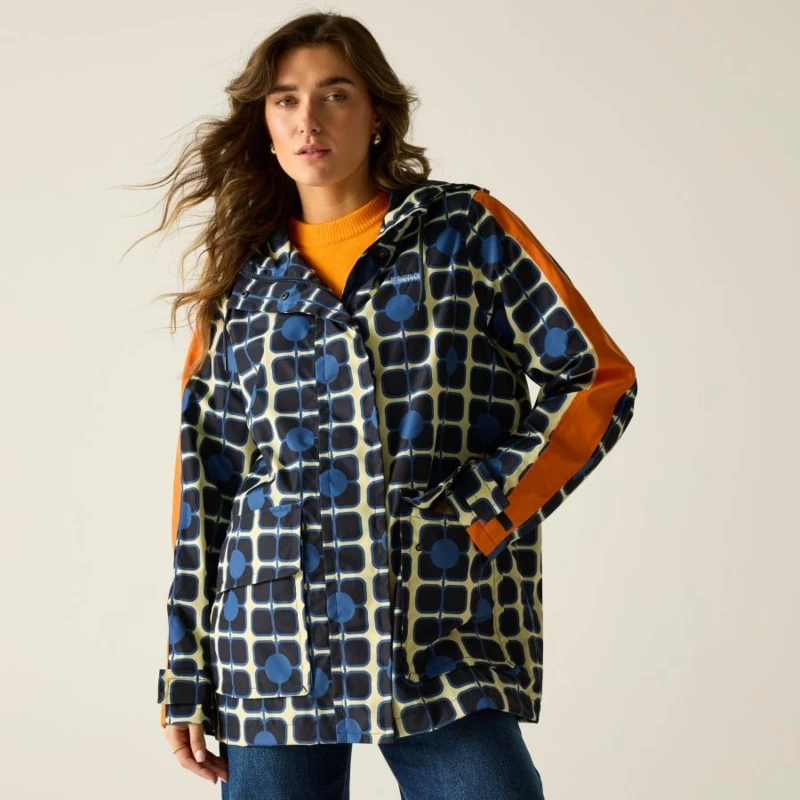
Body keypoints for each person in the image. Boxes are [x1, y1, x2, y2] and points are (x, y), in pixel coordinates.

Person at [141, 10, 637, 799]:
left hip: (439, 617)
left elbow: (596, 377)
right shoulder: (243, 285)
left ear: (377, 114)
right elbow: (206, 487)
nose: (308, 120)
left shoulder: (464, 231)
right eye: (285, 99)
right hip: (273, 634)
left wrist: (482, 511)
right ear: (264, 124)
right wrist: (184, 671)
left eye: (335, 94)